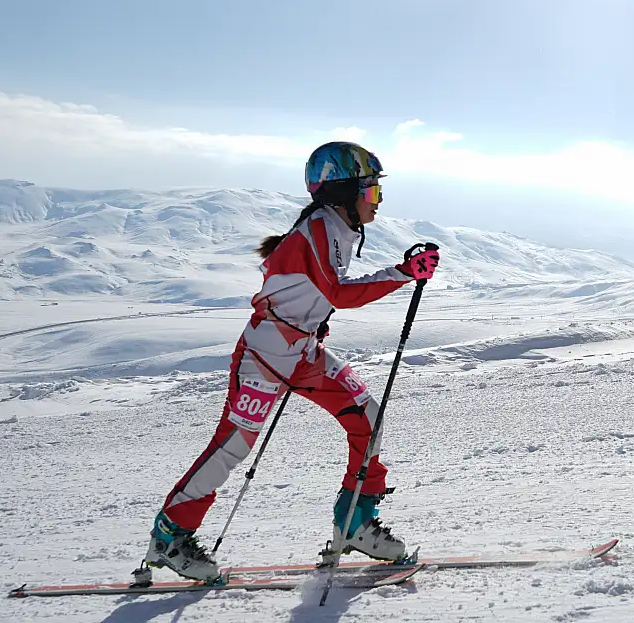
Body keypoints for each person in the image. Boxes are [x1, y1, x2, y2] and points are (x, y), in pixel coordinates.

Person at [143, 141, 442, 581]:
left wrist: (312, 318)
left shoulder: (337, 227)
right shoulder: (321, 226)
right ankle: (171, 536)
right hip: (265, 356)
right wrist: (402, 274)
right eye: (373, 192)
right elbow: (337, 293)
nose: (378, 201)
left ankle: (355, 522)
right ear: (345, 193)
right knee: (233, 446)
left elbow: (314, 291)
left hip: (302, 352)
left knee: (368, 418)